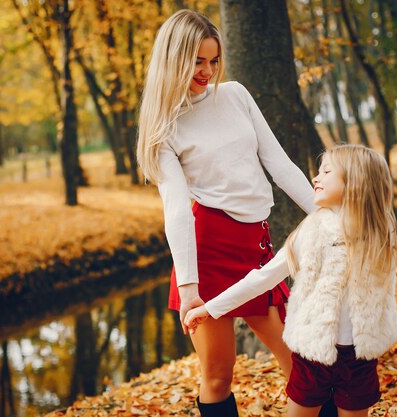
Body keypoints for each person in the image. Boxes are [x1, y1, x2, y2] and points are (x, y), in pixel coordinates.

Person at [136, 9, 338, 417]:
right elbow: (176, 209)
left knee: (301, 360)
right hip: (207, 250)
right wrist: (190, 287)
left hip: (257, 245)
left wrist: (328, 214)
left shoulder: (236, 95)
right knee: (217, 375)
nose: (208, 70)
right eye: (197, 61)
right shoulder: (164, 129)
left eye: (213, 60)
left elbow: (279, 163)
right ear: (174, 58)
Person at [185, 144, 397, 417]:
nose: (316, 178)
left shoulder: (381, 233)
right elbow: (261, 279)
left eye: (327, 172)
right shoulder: (310, 232)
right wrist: (210, 308)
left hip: (360, 357)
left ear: (355, 183)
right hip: (312, 356)